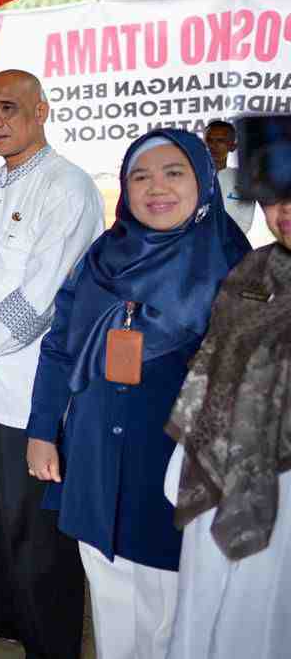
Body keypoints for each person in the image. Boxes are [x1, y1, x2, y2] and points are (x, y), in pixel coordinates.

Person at [26, 130, 249, 659]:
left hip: (175, 470)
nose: (156, 188)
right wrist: (42, 431)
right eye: (140, 176)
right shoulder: (104, 255)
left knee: (173, 615)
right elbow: (59, 346)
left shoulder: (233, 265)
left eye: (174, 173)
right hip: (94, 459)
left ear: (204, 180)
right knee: (111, 602)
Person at [0, 69, 104, 658]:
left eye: (7, 107)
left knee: (39, 530)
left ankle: (49, 644)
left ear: (41, 111)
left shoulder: (68, 188)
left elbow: (42, 297)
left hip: (33, 392)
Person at [164, 196, 291, 659]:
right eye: (275, 195)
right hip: (221, 465)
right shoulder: (254, 270)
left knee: (263, 616)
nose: (284, 209)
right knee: (204, 609)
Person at [204, 119, 255, 234]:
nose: (213, 146)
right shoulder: (189, 177)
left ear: (233, 146)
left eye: (220, 140)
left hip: (229, 242)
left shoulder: (242, 178)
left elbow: (244, 221)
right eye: (209, 140)